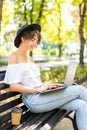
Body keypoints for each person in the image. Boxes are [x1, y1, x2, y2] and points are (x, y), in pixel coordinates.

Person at [4, 23, 87, 130]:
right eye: (33, 40)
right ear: (23, 38)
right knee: (79, 89)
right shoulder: (14, 57)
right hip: (33, 100)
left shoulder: (30, 59)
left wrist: (48, 86)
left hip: (42, 96)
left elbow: (34, 83)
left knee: (81, 105)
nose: (35, 43)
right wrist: (37, 90)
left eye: (36, 41)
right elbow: (13, 86)